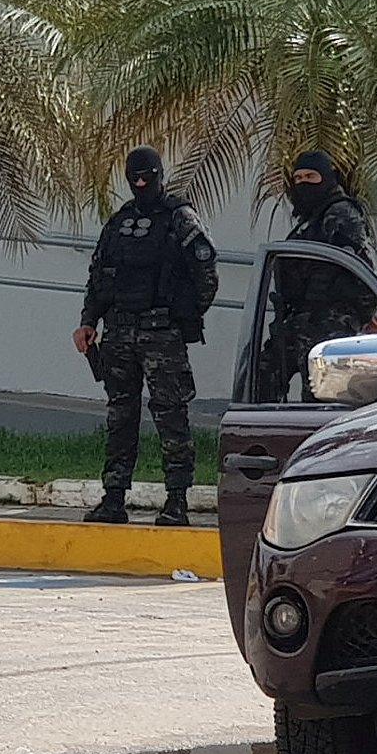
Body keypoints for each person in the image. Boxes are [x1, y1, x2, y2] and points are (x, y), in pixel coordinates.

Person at [73, 147, 221, 526]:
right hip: (119, 332)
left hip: (161, 336)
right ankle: (114, 497)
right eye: (134, 178)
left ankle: (176, 501)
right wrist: (89, 320)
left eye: (147, 177)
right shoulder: (118, 224)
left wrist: (183, 317)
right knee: (120, 416)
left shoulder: (179, 219)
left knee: (171, 415)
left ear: (159, 175)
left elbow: (206, 272)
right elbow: (99, 275)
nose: (140, 184)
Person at [257, 150, 377, 401]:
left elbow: (363, 269)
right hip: (299, 320)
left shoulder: (340, 213)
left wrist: (361, 315)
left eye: (311, 177)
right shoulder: (310, 220)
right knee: (261, 378)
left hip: (329, 325)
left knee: (318, 400)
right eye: (298, 178)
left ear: (327, 177)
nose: (303, 184)